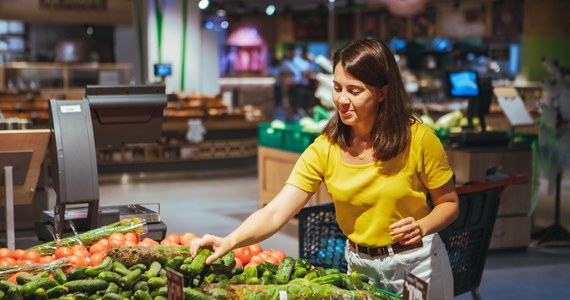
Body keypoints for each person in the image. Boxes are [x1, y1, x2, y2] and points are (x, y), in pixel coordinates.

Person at [190, 38, 459, 299]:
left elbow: (448, 203)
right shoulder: (325, 148)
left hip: (417, 266)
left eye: (354, 90)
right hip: (360, 268)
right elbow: (275, 212)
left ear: (382, 92)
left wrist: (422, 226)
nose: (342, 99)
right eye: (337, 87)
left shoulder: (420, 139)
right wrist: (230, 240)